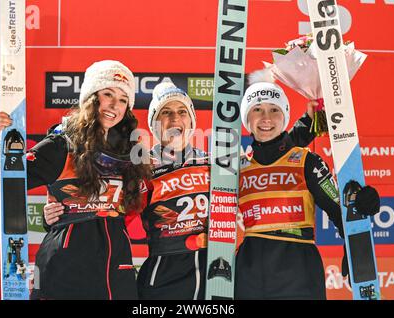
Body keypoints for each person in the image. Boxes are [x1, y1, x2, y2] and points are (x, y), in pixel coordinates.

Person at [135, 81, 317, 300]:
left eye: (182, 111)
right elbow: (124, 225)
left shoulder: (214, 163)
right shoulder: (142, 169)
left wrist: (309, 123)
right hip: (163, 277)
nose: (175, 119)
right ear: (154, 123)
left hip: (213, 276)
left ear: (191, 121)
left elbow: (264, 154)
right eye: (166, 112)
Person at [0, 60, 151, 300]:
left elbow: (135, 207)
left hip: (116, 273)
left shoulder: (132, 153)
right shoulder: (62, 144)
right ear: (90, 97)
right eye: (107, 94)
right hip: (65, 271)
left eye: (123, 100)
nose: (115, 105)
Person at [234, 79, 380, 300]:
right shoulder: (236, 168)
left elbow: (340, 211)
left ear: (284, 116)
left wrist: (355, 239)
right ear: (247, 118)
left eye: (274, 109)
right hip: (249, 275)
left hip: (299, 273)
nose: (266, 118)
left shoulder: (306, 162)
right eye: (257, 109)